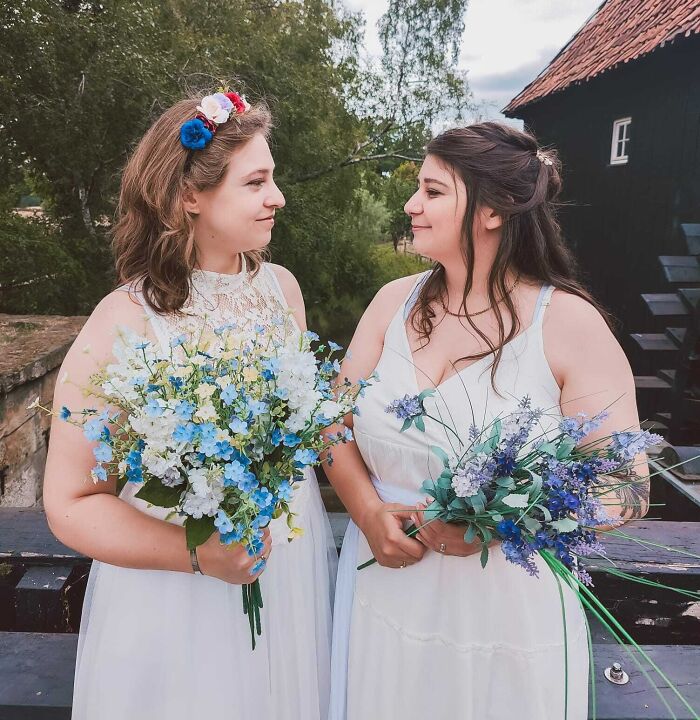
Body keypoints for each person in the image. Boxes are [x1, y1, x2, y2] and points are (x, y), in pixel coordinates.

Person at [326, 122, 648, 720]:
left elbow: (627, 488)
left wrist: (501, 525)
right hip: (385, 582)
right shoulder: (391, 303)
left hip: (506, 607)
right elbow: (332, 426)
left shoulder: (569, 324)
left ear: (493, 211)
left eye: (433, 191)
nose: (411, 205)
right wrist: (368, 513)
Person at [43, 88, 336, 720]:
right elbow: (70, 503)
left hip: (285, 565)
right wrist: (199, 554)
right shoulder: (124, 318)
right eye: (255, 182)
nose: (278, 197)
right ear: (189, 196)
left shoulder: (282, 290)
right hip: (174, 595)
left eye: (273, 178)